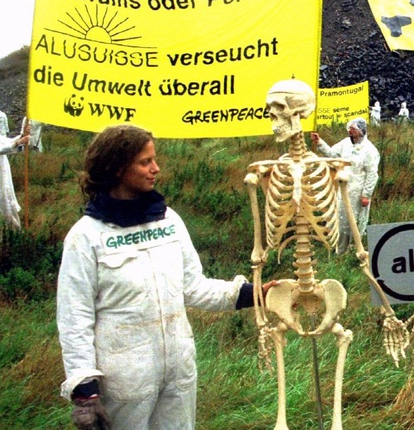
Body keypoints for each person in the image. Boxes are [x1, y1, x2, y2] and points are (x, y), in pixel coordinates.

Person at [57, 124, 275, 430]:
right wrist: (84, 391)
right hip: (124, 381)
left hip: (178, 371)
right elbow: (74, 317)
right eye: (145, 162)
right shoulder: (86, 237)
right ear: (118, 168)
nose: (155, 169)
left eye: (154, 160)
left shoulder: (168, 221)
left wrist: (256, 294)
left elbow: (194, 287)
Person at [310, 117, 380, 254]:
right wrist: (319, 142)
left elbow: (372, 174)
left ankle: (357, 250)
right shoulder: (345, 144)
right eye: (349, 128)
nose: (350, 131)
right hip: (343, 188)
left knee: (355, 220)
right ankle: (340, 251)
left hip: (358, 190)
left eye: (353, 129)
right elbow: (332, 154)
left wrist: (366, 194)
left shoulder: (370, 150)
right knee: (341, 219)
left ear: (361, 131)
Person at [0, 112, 29, 228]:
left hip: (2, 170)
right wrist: (18, 142)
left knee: (6, 198)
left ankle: (12, 232)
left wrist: (22, 135)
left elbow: (5, 141)